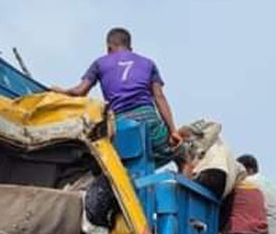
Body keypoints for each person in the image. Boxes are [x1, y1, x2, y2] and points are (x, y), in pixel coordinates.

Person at [53, 28, 180, 167]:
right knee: (182, 154)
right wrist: (173, 131)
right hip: (148, 119)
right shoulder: (148, 63)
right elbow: (159, 97)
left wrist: (61, 91)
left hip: (119, 124)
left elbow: (80, 92)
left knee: (122, 165)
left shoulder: (100, 63)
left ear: (108, 48)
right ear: (130, 48)